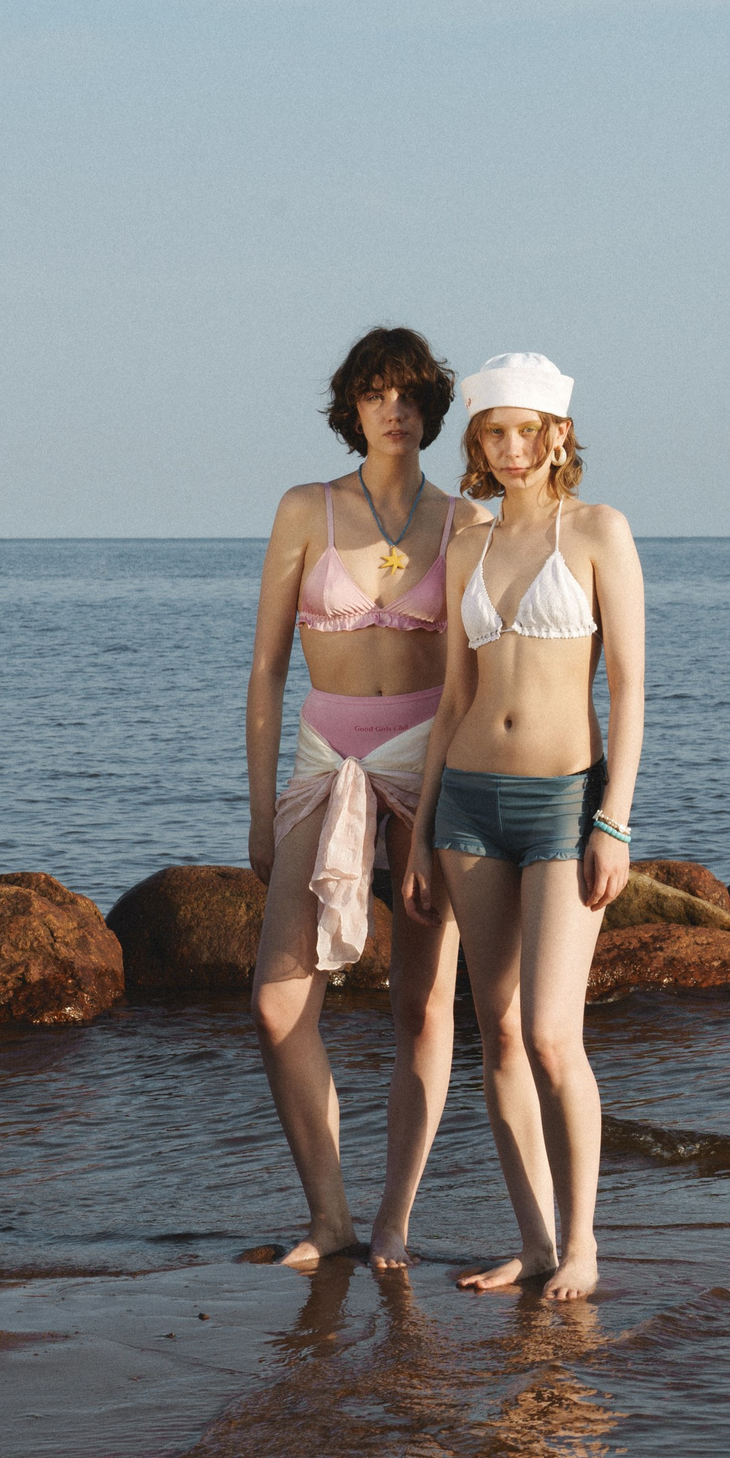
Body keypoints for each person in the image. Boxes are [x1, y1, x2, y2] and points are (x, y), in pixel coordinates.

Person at [403, 352, 644, 1301]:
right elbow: (453, 693)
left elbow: (627, 686)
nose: (508, 448)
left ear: (556, 435)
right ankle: (537, 1244)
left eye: (524, 431)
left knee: (552, 1034)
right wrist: (422, 830)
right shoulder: (466, 543)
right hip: (466, 800)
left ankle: (584, 1243)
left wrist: (613, 820)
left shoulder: (598, 530)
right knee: (496, 1032)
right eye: (491, 433)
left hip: (561, 803)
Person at [247, 326, 479, 1272]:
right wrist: (263, 807)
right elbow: (264, 670)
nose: (396, 408)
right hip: (324, 760)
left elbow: (474, 673)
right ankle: (328, 1214)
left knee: (423, 1008)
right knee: (276, 1002)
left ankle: (393, 1221)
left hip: (431, 760)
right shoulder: (307, 509)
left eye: (412, 393)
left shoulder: (465, 522)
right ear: (353, 405)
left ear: (431, 409)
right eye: (378, 392)